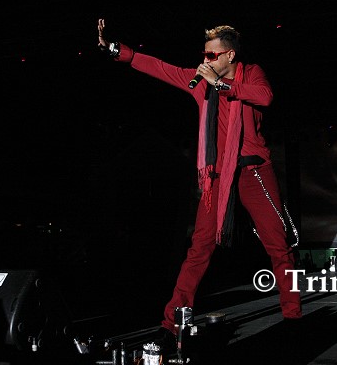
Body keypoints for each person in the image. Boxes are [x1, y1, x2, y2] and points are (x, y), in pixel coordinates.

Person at [96, 20, 302, 352]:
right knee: (199, 249)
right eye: (204, 54)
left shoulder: (250, 73)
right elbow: (160, 68)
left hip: (253, 172)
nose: (205, 60)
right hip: (216, 177)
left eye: (211, 55)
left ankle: (293, 318)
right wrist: (117, 50)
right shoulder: (199, 83)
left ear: (230, 55)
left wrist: (221, 84)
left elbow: (265, 97)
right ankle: (170, 324)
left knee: (278, 246)